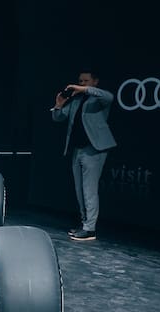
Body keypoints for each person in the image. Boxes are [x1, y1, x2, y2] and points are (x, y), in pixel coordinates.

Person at [51, 70, 116, 241]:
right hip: (77, 150)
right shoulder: (75, 100)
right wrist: (58, 104)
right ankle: (84, 224)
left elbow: (109, 96)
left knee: (89, 189)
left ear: (95, 82)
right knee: (79, 190)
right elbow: (58, 118)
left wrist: (84, 89)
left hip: (94, 149)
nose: (81, 83)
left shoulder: (99, 99)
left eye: (85, 80)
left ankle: (90, 229)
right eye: (79, 80)